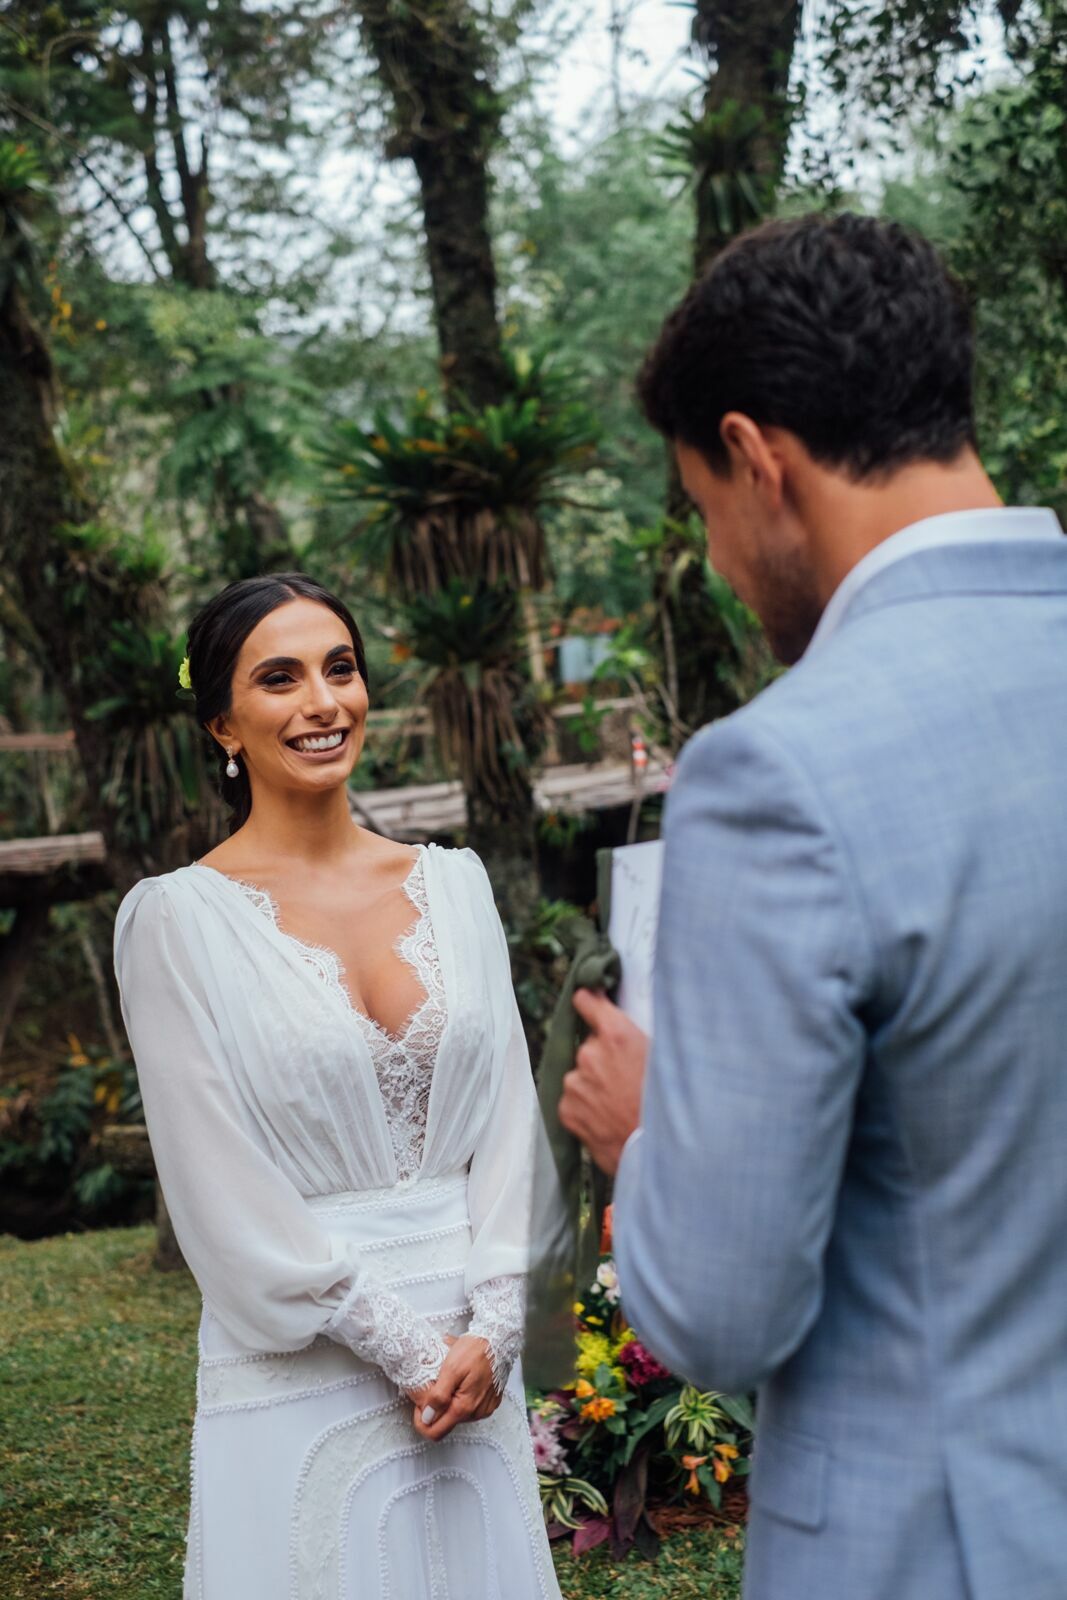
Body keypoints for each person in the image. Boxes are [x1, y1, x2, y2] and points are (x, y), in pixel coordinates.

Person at [558, 212, 1067, 1600]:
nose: (722, 566)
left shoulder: (779, 773)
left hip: (939, 1548)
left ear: (753, 459)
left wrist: (647, 1131)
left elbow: (720, 1312)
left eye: (704, 512)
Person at [112, 572, 563, 1600]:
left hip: (470, 1351)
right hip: (307, 1356)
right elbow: (211, 1177)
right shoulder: (174, 923)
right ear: (223, 722)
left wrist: (493, 1325)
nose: (323, 702)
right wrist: (403, 1347)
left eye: (340, 667)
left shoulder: (456, 885)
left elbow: (504, 1121)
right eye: (280, 678)